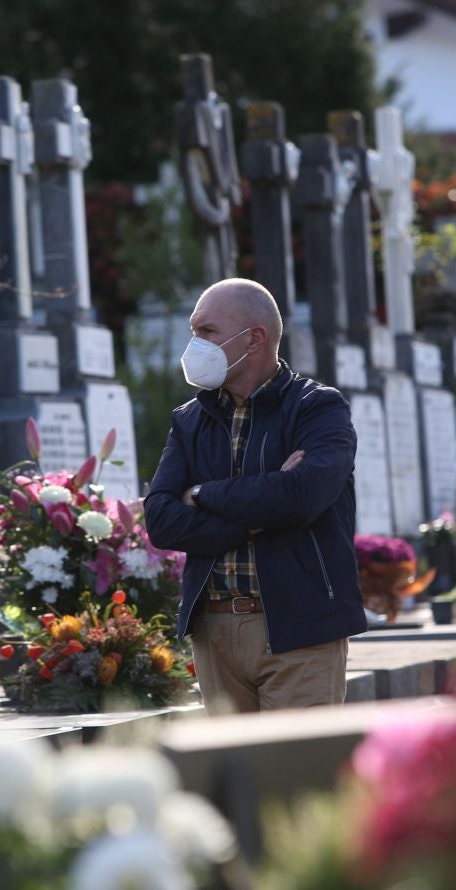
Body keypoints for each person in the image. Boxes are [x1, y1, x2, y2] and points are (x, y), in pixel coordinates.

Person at [144, 278, 366, 714]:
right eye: (194, 331)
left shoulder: (318, 409)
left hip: (299, 628)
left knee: (296, 774)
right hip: (215, 632)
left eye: (206, 331)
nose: (194, 344)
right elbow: (161, 520)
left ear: (254, 339)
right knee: (237, 777)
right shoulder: (190, 420)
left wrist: (203, 493)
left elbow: (301, 496)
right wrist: (255, 514)